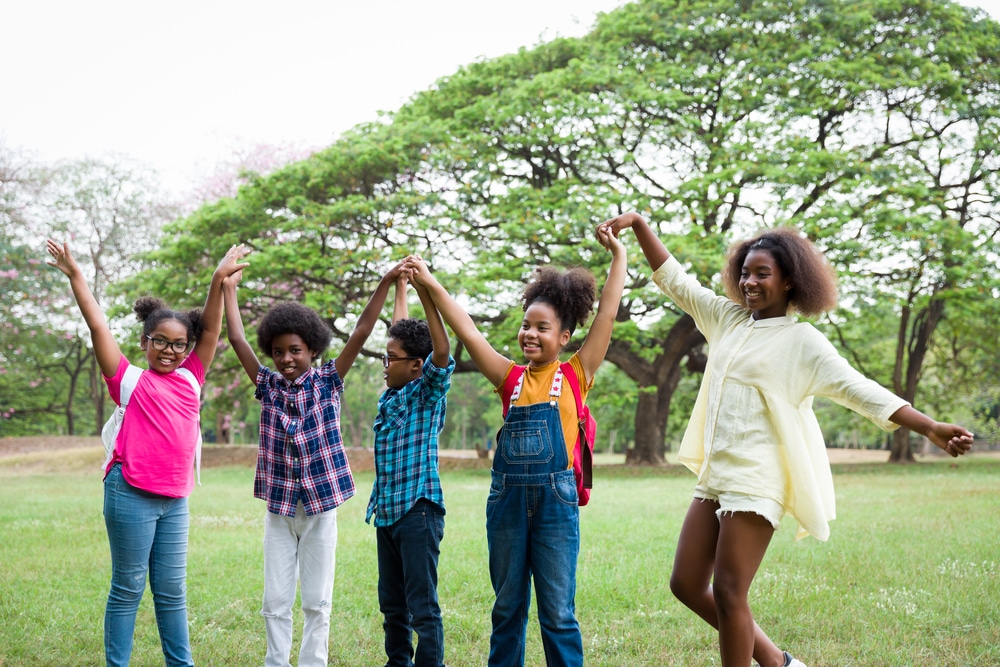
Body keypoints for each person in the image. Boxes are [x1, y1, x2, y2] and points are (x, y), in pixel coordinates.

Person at [599, 212, 975, 667]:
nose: (750, 282)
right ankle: (780, 664)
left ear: (790, 282)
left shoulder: (804, 343)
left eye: (763, 274)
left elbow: (862, 390)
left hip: (759, 479)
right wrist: (639, 224)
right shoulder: (726, 318)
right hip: (717, 475)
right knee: (685, 583)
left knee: (731, 592)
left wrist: (929, 426)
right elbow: (674, 280)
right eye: (745, 272)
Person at [405, 228, 627, 667]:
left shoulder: (579, 373)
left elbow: (607, 313)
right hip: (506, 504)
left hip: (556, 502)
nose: (530, 334)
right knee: (507, 608)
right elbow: (466, 329)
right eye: (526, 325)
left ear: (564, 337)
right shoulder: (510, 378)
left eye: (543, 328)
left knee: (558, 613)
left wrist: (619, 254)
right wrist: (429, 282)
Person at [46, 239, 250, 667]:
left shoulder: (192, 376)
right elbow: (99, 327)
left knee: (173, 591)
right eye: (160, 341)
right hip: (130, 493)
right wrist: (76, 276)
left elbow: (212, 330)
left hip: (176, 500)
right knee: (128, 587)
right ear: (145, 341)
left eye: (179, 344)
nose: (169, 351)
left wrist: (218, 279)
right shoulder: (128, 380)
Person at [223, 260, 407, 667]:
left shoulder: (329, 381)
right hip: (280, 512)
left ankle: (312, 662)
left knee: (318, 600)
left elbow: (361, 330)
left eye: (295, 350)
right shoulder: (267, 386)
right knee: (275, 599)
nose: (286, 359)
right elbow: (236, 338)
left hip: (321, 509)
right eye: (278, 352)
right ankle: (276, 662)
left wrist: (385, 281)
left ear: (312, 349)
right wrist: (228, 288)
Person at [365, 260, 455, 667]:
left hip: (417, 512)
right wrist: (401, 285)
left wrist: (424, 291)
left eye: (391, 359)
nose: (385, 364)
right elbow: (400, 334)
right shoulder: (392, 393)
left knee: (422, 605)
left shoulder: (426, 393)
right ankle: (397, 662)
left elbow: (440, 349)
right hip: (387, 514)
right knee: (392, 603)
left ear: (415, 366)